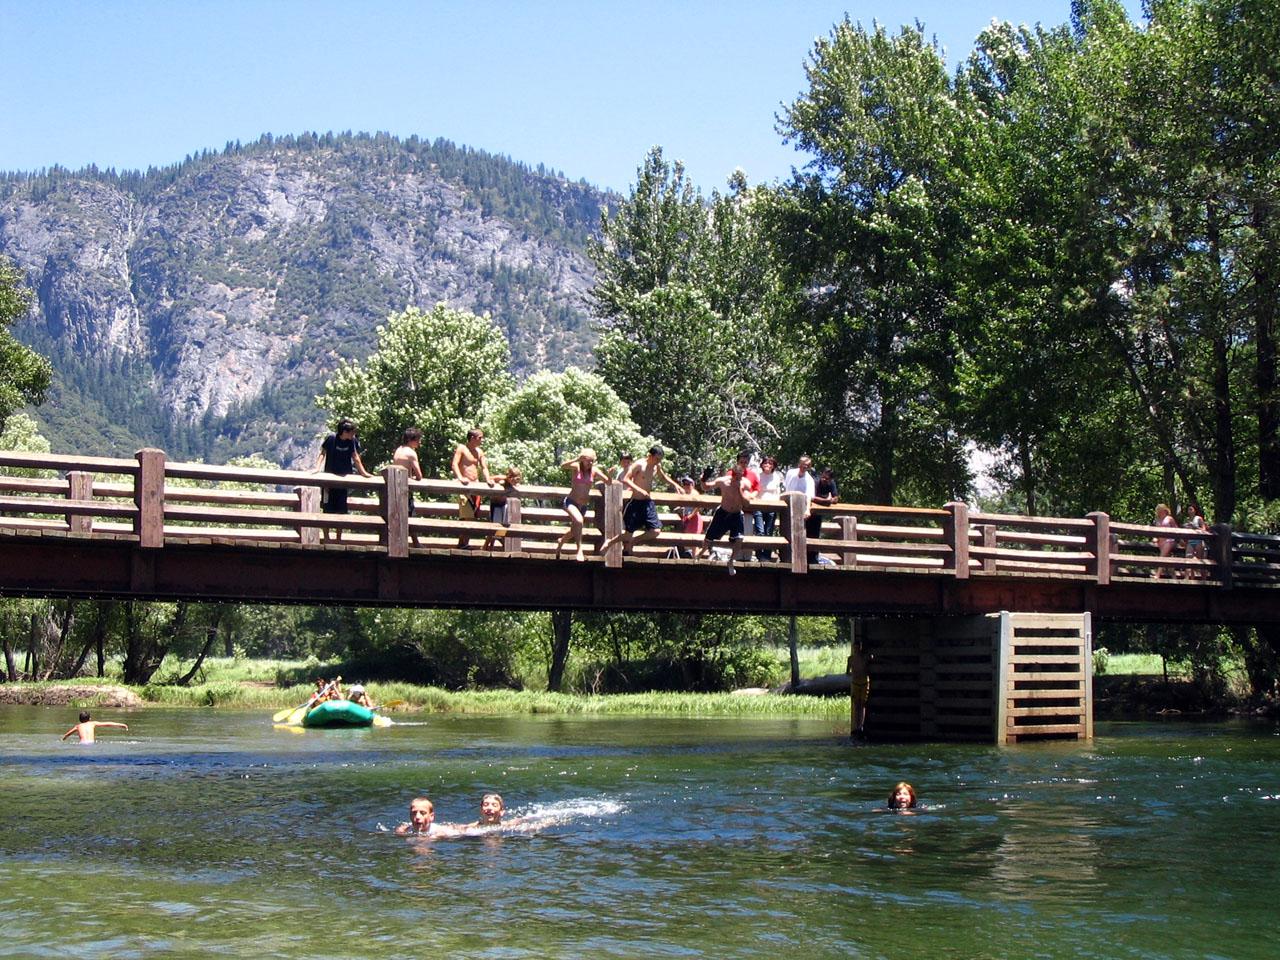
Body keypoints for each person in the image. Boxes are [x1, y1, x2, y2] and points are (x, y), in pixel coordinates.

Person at [599, 445, 682, 558]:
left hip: (647, 503)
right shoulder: (639, 465)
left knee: (655, 531)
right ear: (650, 456)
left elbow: (662, 477)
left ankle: (633, 542)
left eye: (660, 459)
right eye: (656, 459)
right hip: (635, 503)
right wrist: (639, 490)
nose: (658, 461)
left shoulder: (656, 466)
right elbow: (626, 479)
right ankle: (610, 542)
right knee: (627, 535)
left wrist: (675, 485)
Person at [314, 419, 374, 541]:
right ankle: (326, 537)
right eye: (352, 432)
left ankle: (338, 538)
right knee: (327, 509)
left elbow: (355, 457)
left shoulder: (351, 441)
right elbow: (322, 453)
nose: (353, 434)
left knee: (341, 510)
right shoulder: (331, 439)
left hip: (343, 481)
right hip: (328, 481)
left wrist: (363, 473)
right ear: (344, 432)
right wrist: (317, 468)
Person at [694, 461, 753, 575]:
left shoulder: (745, 484)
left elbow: (746, 503)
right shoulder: (723, 481)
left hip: (736, 514)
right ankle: (700, 554)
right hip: (723, 512)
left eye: (740, 477)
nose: (738, 479)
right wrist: (703, 480)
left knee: (739, 539)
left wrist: (739, 490)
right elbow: (706, 488)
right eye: (736, 476)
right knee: (709, 538)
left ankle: (731, 562)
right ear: (732, 474)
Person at [556, 449, 612, 561]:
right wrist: (577, 458)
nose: (590, 463)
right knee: (579, 521)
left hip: (583, 505)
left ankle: (561, 541)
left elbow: (608, 482)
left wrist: (609, 475)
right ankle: (579, 550)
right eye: (587, 461)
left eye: (592, 461)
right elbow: (563, 466)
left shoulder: (594, 471)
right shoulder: (577, 467)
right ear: (583, 460)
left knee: (574, 531)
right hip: (571, 502)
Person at [451, 428, 496, 548]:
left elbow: (484, 467)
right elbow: (455, 464)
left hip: (476, 487)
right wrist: (460, 477)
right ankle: (462, 544)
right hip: (464, 487)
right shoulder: (462, 448)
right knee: (467, 515)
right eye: (480, 437)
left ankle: (464, 543)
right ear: (472, 438)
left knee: (473, 516)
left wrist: (488, 479)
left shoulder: (480, 452)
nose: (483, 440)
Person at [392, 427, 425, 546]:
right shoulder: (411, 453)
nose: (419, 442)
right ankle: (416, 542)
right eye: (418, 440)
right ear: (412, 440)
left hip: (394, 487)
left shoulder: (398, 450)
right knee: (409, 514)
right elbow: (419, 475)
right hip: (405, 488)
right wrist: (414, 479)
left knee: (398, 515)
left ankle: (398, 541)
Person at [483, 467, 522, 551]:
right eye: (513, 479)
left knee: (502, 527)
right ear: (509, 477)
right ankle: (485, 547)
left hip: (504, 504)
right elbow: (490, 478)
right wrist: (493, 482)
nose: (515, 481)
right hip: (495, 504)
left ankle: (496, 546)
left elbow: (517, 486)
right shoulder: (502, 478)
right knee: (494, 526)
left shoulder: (514, 482)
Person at [755, 456, 785, 561]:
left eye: (770, 464)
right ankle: (759, 554)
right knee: (760, 531)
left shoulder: (777, 477)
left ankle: (766, 556)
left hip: (772, 506)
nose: (768, 465)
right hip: (758, 505)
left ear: (774, 466)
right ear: (762, 465)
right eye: (766, 463)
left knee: (769, 531)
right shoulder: (758, 476)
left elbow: (778, 492)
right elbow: (755, 491)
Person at [808, 467, 839, 564]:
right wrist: (826, 501)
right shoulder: (816, 482)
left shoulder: (832, 484)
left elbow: (836, 498)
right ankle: (806, 557)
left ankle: (813, 559)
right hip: (809, 512)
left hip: (818, 513)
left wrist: (830, 500)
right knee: (807, 534)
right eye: (823, 477)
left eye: (827, 479)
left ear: (830, 479)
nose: (824, 480)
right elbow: (812, 497)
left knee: (815, 535)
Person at [672, 475, 704, 559]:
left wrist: (691, 515)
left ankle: (696, 560)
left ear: (692, 485)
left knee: (694, 542)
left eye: (688, 484)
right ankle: (693, 558)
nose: (686, 485)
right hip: (687, 519)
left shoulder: (695, 493)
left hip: (695, 519)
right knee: (688, 542)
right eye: (685, 484)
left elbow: (699, 507)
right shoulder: (684, 493)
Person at [61, 711, 129, 743]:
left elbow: (67, 735)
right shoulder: (93, 723)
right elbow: (108, 724)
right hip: (91, 743)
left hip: (82, 744)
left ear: (80, 719)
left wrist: (62, 740)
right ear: (90, 719)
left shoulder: (78, 726)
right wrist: (122, 725)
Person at [849, 641, 871, 739]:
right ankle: (856, 726)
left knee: (862, 704)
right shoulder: (850, 659)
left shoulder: (865, 658)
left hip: (864, 683)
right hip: (855, 683)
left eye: (858, 648)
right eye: (855, 648)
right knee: (856, 705)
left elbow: (871, 659)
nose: (856, 650)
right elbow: (848, 671)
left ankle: (860, 726)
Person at [1183, 502, 1206, 578]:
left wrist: (1195, 527)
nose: (1189, 511)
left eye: (1191, 509)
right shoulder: (1187, 520)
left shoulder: (1198, 518)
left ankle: (1204, 579)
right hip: (1190, 541)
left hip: (1198, 541)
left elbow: (1204, 529)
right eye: (1188, 510)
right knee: (1188, 559)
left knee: (1200, 561)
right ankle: (1187, 578)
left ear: (1195, 510)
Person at [1154, 503, 1176, 578]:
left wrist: (1181, 540)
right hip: (1161, 541)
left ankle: (1157, 574)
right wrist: (1155, 538)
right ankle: (1174, 576)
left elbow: (1176, 528)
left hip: (1169, 540)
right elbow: (1156, 531)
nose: (1159, 512)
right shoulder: (1157, 520)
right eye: (1158, 510)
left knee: (1162, 557)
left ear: (1164, 510)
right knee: (1167, 558)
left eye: (1160, 510)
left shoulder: (1169, 518)